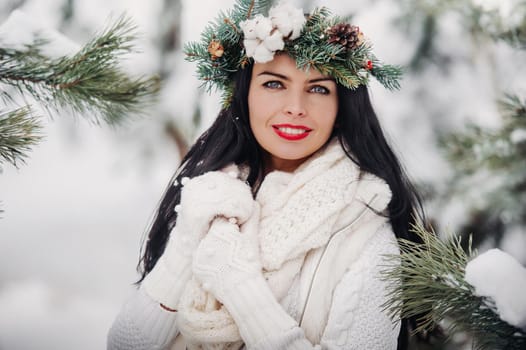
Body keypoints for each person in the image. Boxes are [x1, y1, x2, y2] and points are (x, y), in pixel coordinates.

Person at [107, 1, 429, 349]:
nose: (296, 107)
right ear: (244, 96)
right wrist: (186, 243)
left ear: (342, 108)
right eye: (274, 84)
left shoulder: (362, 232)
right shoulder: (213, 196)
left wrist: (242, 287)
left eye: (319, 89)